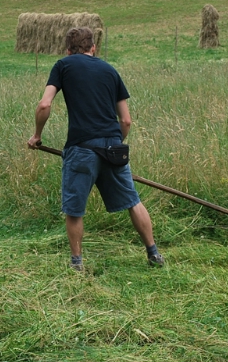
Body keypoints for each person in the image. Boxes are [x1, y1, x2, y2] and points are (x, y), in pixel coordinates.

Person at [27, 27, 163, 270]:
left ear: (68, 50)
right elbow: (126, 121)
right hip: (113, 148)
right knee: (133, 201)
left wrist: (37, 135)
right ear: (93, 48)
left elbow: (44, 104)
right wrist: (113, 145)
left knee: (74, 209)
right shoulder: (110, 70)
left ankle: (77, 264)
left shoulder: (63, 65)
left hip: (81, 148)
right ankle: (153, 253)